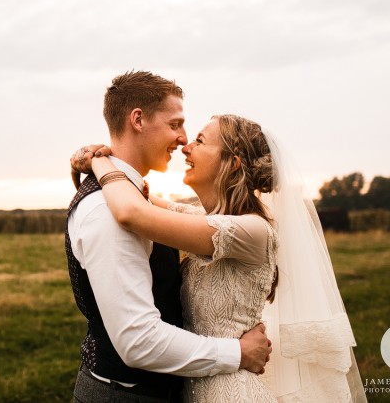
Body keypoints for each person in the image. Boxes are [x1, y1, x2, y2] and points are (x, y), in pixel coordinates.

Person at [72, 113, 367, 402]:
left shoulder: (252, 230)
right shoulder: (209, 220)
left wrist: (99, 161)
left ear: (232, 163)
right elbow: (141, 198)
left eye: (200, 141)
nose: (186, 147)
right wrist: (103, 157)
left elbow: (132, 212)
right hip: (199, 382)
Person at [66, 71, 272, 403]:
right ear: (138, 120)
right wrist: (237, 352)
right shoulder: (108, 210)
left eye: (197, 137)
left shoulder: (136, 202)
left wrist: (100, 161)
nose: (184, 139)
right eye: (175, 124)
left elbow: (139, 209)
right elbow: (138, 341)